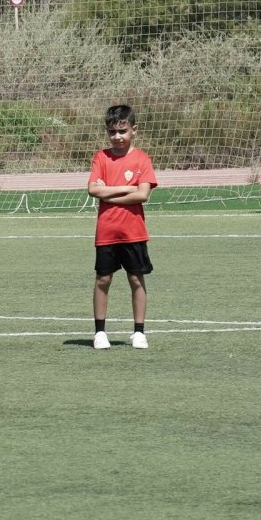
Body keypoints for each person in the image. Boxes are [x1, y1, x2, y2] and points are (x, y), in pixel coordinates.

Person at [87, 104, 157, 350]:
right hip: (106, 231)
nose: (117, 137)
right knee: (103, 279)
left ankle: (139, 332)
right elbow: (93, 190)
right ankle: (100, 333)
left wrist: (109, 195)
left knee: (136, 279)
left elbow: (143, 195)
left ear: (133, 130)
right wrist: (128, 188)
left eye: (122, 131)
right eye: (112, 132)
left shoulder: (142, 159)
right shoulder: (101, 157)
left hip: (133, 231)